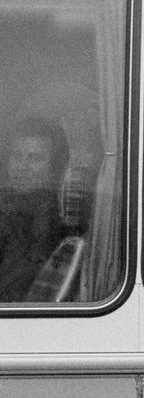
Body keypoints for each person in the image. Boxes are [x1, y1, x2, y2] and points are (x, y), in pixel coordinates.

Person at [0, 117, 72, 300]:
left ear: (54, 168)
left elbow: (17, 281)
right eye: (16, 156)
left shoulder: (47, 220)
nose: (22, 167)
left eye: (35, 158)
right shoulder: (8, 205)